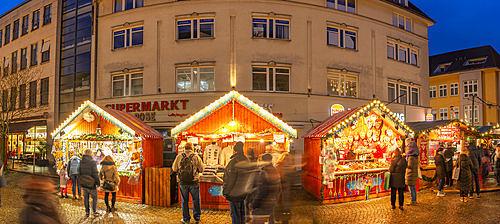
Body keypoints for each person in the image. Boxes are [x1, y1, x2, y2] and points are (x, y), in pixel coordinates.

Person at [172, 142, 205, 224]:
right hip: (194, 182)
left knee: (184, 200)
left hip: (183, 182)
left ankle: (186, 219)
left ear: (184, 148)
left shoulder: (179, 156)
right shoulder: (196, 157)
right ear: (192, 148)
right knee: (196, 200)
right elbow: (202, 169)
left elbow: (174, 168)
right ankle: (197, 218)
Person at [223, 141, 251, 224]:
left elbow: (230, 179)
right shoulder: (247, 160)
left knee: (235, 214)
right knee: (242, 213)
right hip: (243, 191)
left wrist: (226, 191)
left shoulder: (233, 162)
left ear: (235, 151)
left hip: (234, 192)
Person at [252, 154, 281, 224]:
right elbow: (279, 188)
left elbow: (261, 192)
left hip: (263, 204)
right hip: (271, 202)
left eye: (260, 160)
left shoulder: (264, 173)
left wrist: (255, 204)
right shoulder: (275, 171)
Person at [79, 149, 101, 217]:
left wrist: (81, 181)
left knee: (86, 197)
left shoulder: (81, 162)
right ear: (90, 154)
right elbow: (95, 173)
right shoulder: (92, 162)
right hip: (91, 183)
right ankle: (94, 211)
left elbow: (79, 172)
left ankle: (87, 211)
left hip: (84, 182)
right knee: (94, 197)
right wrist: (98, 182)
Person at [244, 148, 259, 223]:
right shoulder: (257, 161)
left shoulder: (245, 161)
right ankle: (254, 218)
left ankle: (247, 217)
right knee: (254, 202)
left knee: (246, 202)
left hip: (247, 184)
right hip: (255, 185)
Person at [405, 139, 419, 204]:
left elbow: (409, 166)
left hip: (411, 174)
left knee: (411, 188)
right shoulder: (415, 156)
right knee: (413, 187)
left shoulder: (410, 157)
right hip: (413, 173)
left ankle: (413, 200)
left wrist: (405, 164)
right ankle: (414, 199)